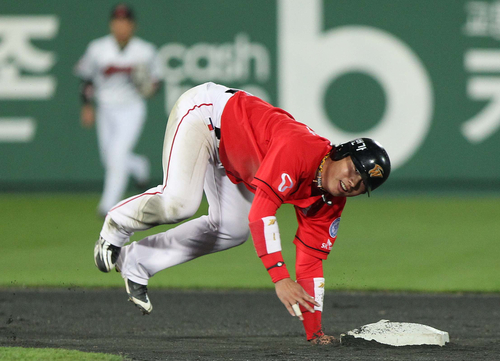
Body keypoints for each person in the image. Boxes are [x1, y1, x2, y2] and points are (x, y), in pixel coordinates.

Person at [93, 82, 391, 345]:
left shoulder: (332, 201)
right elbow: (262, 213)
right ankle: (116, 224)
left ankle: (136, 263)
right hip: (206, 116)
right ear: (339, 153)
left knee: (232, 230)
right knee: (180, 202)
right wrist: (280, 278)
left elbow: (311, 261)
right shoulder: (299, 150)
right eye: (354, 169)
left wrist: (315, 332)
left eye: (361, 183)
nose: (352, 181)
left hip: (237, 160)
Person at [75, 3, 162, 217]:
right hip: (105, 108)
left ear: (133, 26)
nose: (121, 26)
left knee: (116, 155)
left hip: (131, 109)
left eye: (125, 22)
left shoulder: (146, 50)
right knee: (110, 158)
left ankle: (108, 206)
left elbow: (157, 82)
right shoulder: (98, 48)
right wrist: (87, 106)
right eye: (117, 21)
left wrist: (150, 88)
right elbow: (86, 78)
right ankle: (139, 166)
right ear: (111, 24)